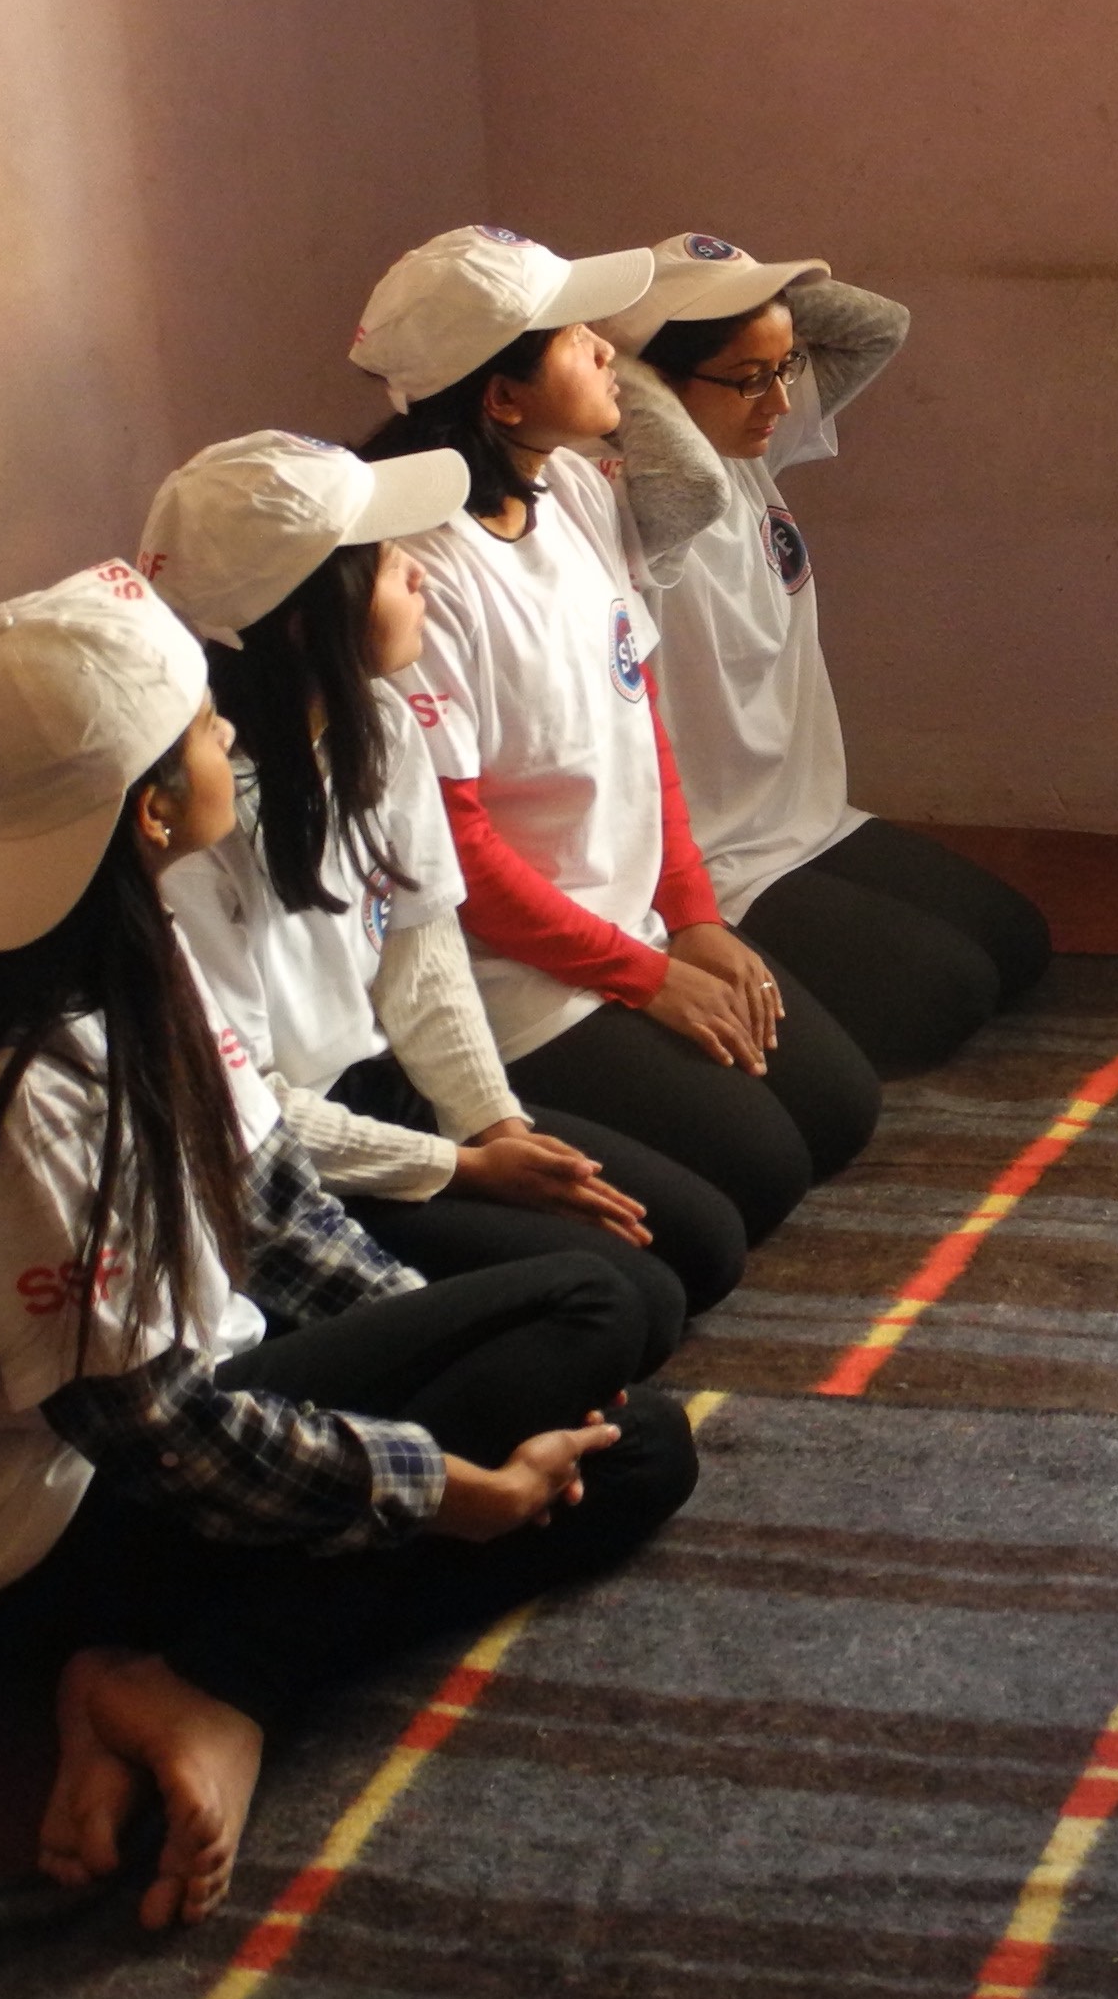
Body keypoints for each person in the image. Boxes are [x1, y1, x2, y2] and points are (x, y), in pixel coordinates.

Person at [0, 566, 695, 1933]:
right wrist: (446, 1484)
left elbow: (273, 1201)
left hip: (191, 1401)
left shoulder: (82, 939)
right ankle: (211, 1681)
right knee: (596, 1350)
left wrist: (458, 1368)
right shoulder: (32, 1078)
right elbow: (161, 1441)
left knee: (616, 1409)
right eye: (208, 730)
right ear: (153, 808)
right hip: (56, 1538)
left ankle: (193, 1675)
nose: (232, 737)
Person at [140, 430, 740, 1365]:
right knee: (633, 1307)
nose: (415, 573)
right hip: (290, 1165)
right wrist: (461, 1167)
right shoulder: (196, 835)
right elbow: (247, 1112)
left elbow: (424, 955)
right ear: (305, 617)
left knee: (700, 1244)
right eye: (384, 561)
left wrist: (494, 1123)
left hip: (389, 1100)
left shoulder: (376, 720)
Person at [354, 226, 881, 1254]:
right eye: (573, 337)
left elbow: (642, 726)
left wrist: (691, 920)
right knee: (758, 1179)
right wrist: (643, 980)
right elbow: (457, 856)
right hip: (520, 975)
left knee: (835, 1111)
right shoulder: (415, 575)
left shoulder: (581, 496)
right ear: (501, 398)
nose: (609, 351)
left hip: (633, 926)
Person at [605, 234, 1051, 1075]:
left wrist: (757, 301)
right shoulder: (639, 492)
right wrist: (616, 348)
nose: (778, 400)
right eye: (749, 378)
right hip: (722, 858)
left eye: (786, 369)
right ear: (653, 386)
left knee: (1015, 945)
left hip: (808, 819)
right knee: (941, 997)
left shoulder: (747, 446)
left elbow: (878, 327)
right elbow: (681, 476)